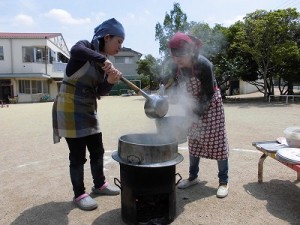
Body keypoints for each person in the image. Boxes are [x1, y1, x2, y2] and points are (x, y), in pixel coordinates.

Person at [52, 18, 125, 210]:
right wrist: (103, 60)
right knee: (77, 155)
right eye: (118, 41)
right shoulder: (84, 46)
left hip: (88, 107)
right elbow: (75, 51)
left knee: (97, 150)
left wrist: (109, 80)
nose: (120, 47)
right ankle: (79, 194)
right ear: (107, 37)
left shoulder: (104, 62)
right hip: (69, 106)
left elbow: (100, 91)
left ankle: (99, 184)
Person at [167, 32, 229, 198]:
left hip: (211, 105)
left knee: (218, 143)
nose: (178, 60)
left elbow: (208, 93)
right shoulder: (176, 67)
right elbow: (175, 88)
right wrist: (169, 98)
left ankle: (223, 181)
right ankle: (193, 177)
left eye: (181, 55)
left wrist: (197, 114)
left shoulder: (203, 64)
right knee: (194, 142)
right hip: (192, 104)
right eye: (174, 56)